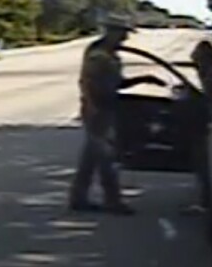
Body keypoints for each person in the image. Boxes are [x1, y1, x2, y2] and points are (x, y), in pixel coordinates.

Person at [69, 13, 165, 215]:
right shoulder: (99, 54)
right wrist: (92, 107)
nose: (125, 38)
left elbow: (117, 83)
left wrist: (143, 79)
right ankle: (113, 201)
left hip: (106, 107)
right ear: (111, 32)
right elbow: (87, 82)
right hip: (98, 110)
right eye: (122, 34)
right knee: (107, 157)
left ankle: (78, 198)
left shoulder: (110, 54)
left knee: (92, 157)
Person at [182, 39, 212, 214]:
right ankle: (206, 200)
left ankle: (207, 203)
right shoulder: (210, 75)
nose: (193, 61)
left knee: (205, 166)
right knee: (202, 165)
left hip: (210, 127)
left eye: (196, 58)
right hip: (207, 125)